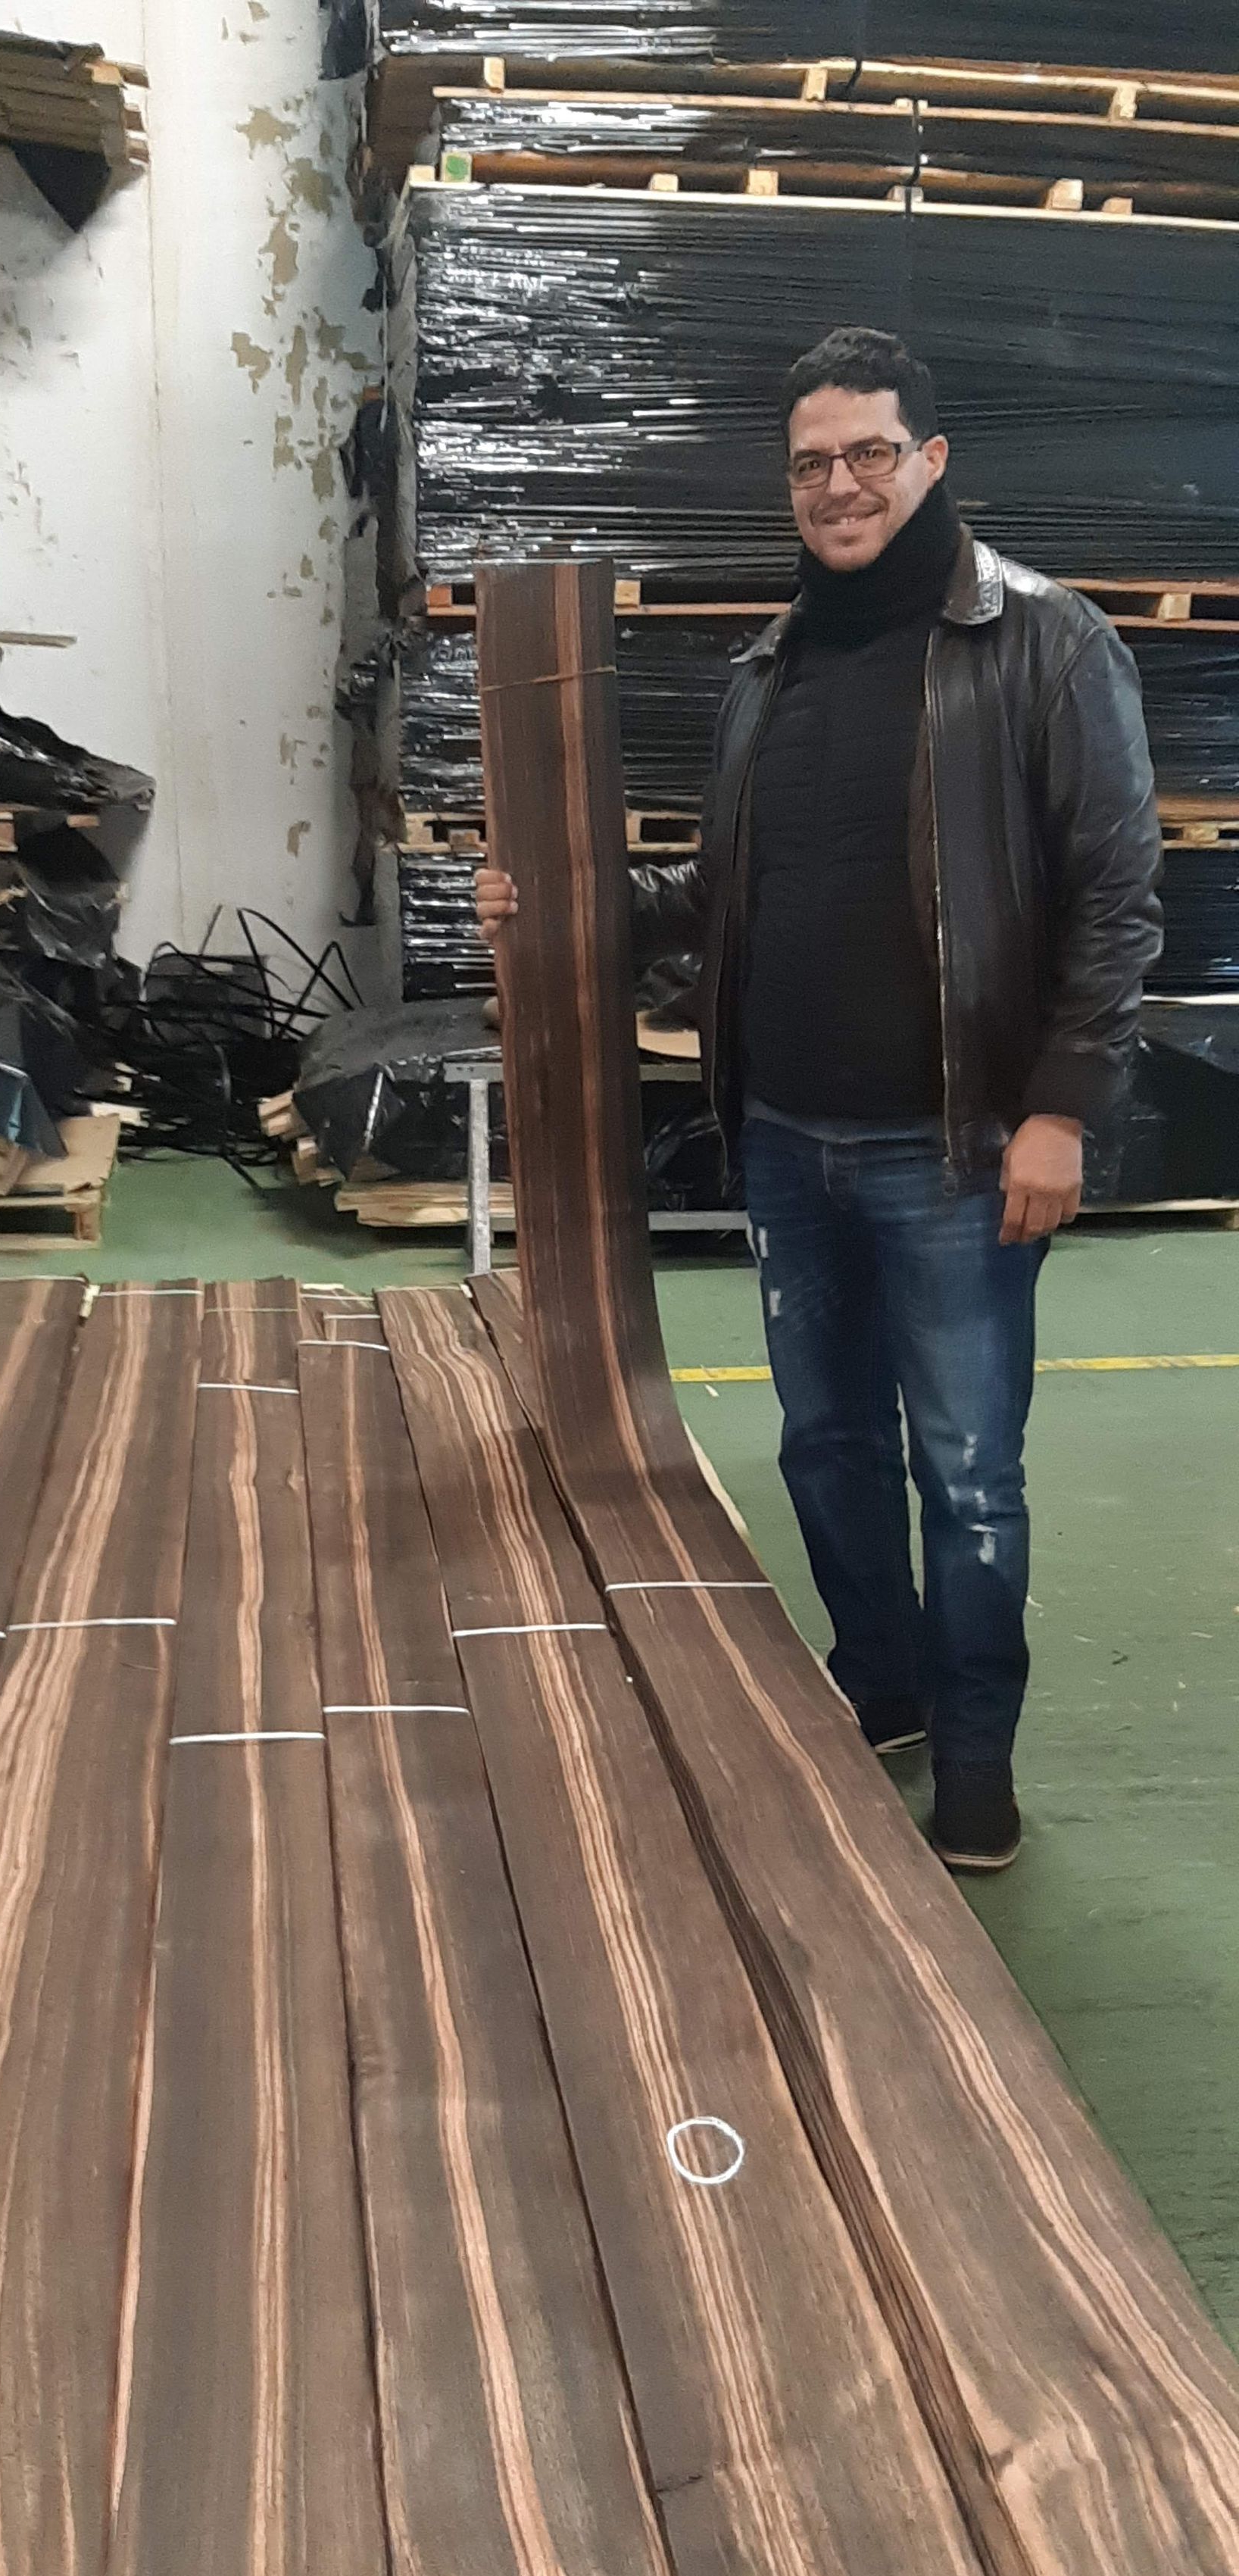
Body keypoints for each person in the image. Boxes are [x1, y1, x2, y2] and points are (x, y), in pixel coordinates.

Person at [476, 323, 1163, 1872]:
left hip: (957, 1147)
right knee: (827, 1446)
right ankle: (885, 1687)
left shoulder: (1047, 646)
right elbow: (725, 889)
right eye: (811, 463)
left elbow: (1116, 900)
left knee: (967, 1471)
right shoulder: (768, 667)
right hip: (788, 1135)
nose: (839, 486)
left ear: (931, 459)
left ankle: (975, 1764)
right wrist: (563, 902)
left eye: (869, 454)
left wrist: (1062, 1108)